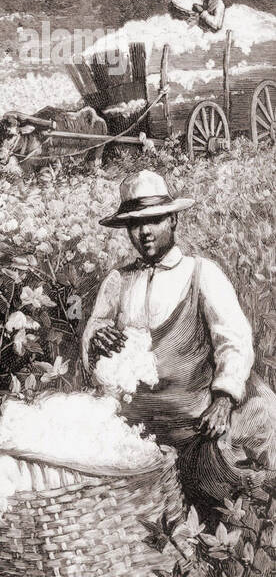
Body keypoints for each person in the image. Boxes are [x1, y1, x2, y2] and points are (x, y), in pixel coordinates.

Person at [83, 170, 276, 508]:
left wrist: (223, 400)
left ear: (172, 219)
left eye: (154, 220)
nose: (144, 232)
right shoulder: (118, 281)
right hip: (139, 429)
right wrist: (96, 338)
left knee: (219, 493)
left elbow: (234, 339)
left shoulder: (200, 273)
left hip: (196, 421)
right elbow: (94, 331)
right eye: (135, 224)